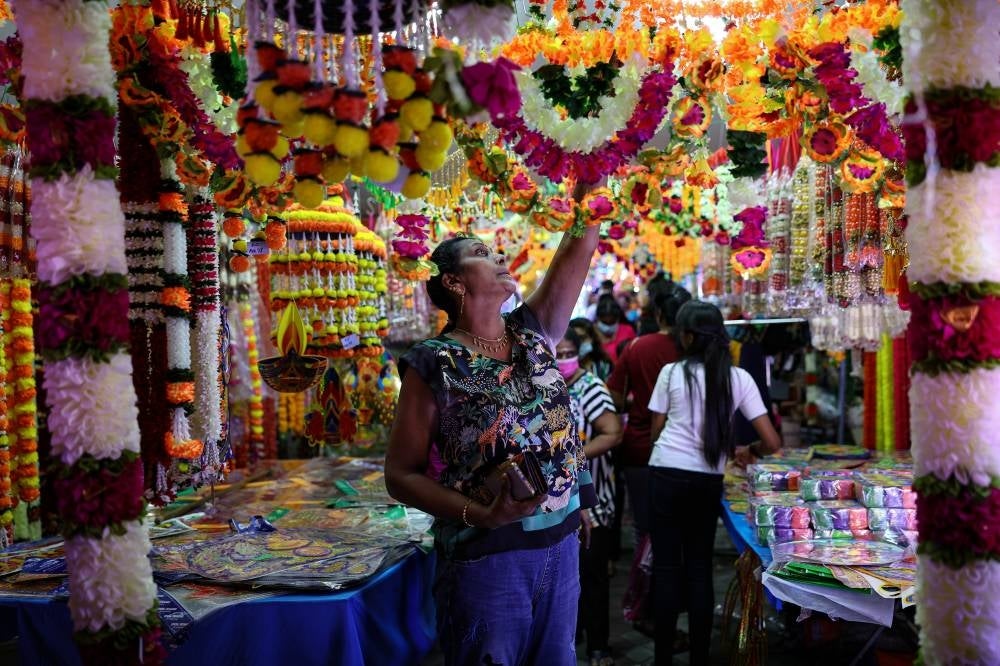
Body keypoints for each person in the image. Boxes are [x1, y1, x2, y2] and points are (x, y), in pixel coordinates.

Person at [384, 184, 600, 666]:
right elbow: (400, 475)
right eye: (482, 254)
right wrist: (479, 515)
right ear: (455, 282)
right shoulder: (434, 362)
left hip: (560, 544)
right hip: (489, 555)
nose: (499, 256)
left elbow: (581, 243)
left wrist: (591, 175)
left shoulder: (533, 331)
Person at [646, 301, 782, 665]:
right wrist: (745, 450)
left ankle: (661, 659)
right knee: (699, 566)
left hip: (665, 473)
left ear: (687, 336)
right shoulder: (739, 378)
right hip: (706, 481)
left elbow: (656, 431)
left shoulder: (671, 373)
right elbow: (772, 443)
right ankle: (700, 659)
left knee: (666, 567)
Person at [555, 329, 622, 666]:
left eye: (569, 352)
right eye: (557, 352)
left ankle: (599, 646)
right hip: (558, 502)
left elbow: (613, 433)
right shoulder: (545, 384)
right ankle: (572, 635)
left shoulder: (591, 387)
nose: (563, 358)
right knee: (568, 577)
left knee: (593, 577)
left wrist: (573, 459)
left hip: (592, 497)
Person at [569, 317, 614, 382]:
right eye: (575, 339)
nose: (579, 343)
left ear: (592, 339)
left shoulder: (603, 365)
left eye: (583, 338)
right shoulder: (565, 369)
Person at [594, 294, 636, 363]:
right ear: (598, 318)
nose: (608, 326)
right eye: (604, 322)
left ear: (618, 318)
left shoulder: (628, 330)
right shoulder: (593, 333)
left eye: (612, 322)